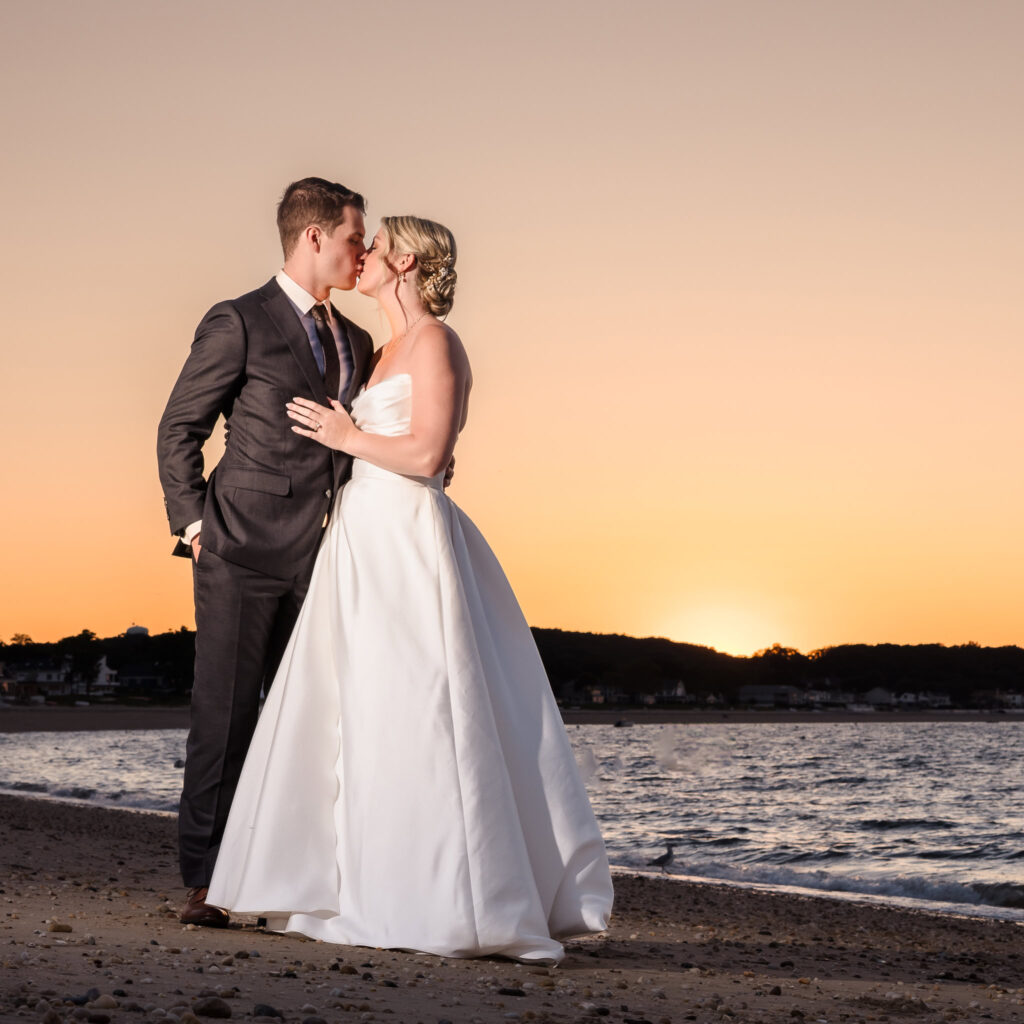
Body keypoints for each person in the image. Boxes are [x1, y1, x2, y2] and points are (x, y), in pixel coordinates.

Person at [206, 216, 613, 961]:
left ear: (409, 261)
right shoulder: (378, 349)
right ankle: (357, 880)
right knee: (360, 707)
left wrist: (345, 437)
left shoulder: (435, 343)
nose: (359, 257)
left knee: (422, 704)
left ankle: (449, 894)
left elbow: (428, 453)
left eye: (375, 244)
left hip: (408, 541)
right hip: (361, 536)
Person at [156, 178, 374, 927]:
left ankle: (286, 872)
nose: (362, 251)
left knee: (305, 721)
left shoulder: (361, 340)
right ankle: (206, 883)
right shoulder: (239, 320)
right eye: (354, 237)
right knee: (223, 717)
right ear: (313, 237)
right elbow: (179, 427)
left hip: (326, 559)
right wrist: (195, 527)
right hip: (239, 550)